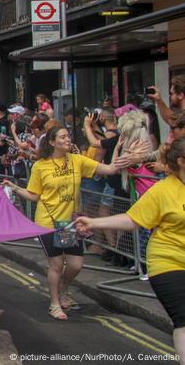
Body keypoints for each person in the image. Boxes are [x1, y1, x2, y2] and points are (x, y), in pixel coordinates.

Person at [2, 126, 132, 320]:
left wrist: (119, 148)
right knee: (56, 265)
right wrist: (14, 188)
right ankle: (55, 303)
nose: (68, 139)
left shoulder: (77, 161)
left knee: (75, 265)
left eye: (68, 135)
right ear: (52, 142)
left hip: (69, 224)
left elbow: (110, 169)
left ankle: (63, 287)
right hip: (48, 222)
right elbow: (34, 196)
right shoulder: (40, 166)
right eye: (62, 136)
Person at [75, 136, 185, 363]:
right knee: (184, 319)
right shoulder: (163, 190)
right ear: (182, 161)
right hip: (168, 261)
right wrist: (94, 223)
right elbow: (132, 219)